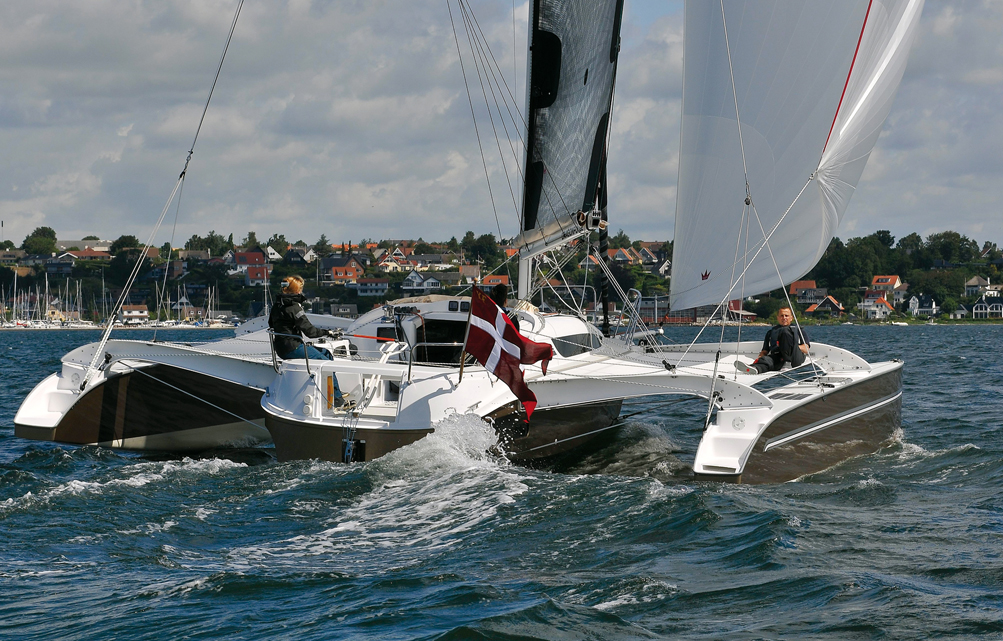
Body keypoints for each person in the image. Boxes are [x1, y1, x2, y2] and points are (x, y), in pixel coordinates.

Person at [269, 275, 349, 406]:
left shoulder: (277, 305)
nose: (301, 291)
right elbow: (310, 332)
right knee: (326, 362)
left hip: (281, 347)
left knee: (326, 353)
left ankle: (331, 391)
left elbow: (271, 323)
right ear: (296, 291)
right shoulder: (294, 308)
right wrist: (328, 332)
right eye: (300, 288)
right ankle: (337, 400)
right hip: (292, 348)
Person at [735, 306, 810, 375]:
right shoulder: (771, 332)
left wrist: (792, 347)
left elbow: (806, 349)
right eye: (781, 316)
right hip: (778, 357)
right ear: (778, 318)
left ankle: (788, 363)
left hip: (794, 357)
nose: (784, 318)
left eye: (786, 316)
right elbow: (765, 350)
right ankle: (755, 368)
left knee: (785, 331)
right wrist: (760, 359)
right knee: (766, 360)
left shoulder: (799, 330)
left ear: (791, 318)